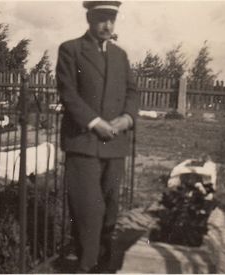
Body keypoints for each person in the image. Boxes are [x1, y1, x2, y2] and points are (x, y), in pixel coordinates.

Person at [56, 1, 138, 273]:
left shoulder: (120, 55)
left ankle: (102, 263)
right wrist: (94, 122)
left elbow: (131, 92)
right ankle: (87, 265)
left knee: (110, 210)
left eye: (112, 19)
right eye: (102, 19)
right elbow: (68, 93)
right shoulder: (71, 50)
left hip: (114, 145)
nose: (108, 25)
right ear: (90, 19)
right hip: (84, 143)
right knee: (88, 209)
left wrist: (127, 117)